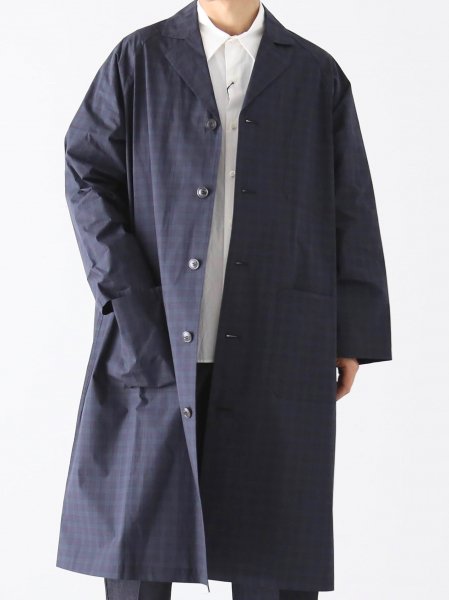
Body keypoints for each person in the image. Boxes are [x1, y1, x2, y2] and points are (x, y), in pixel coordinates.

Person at [56, 1, 392, 599]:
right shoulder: (140, 59)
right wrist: (126, 298)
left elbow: (351, 204)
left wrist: (352, 332)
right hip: (155, 335)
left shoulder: (315, 74)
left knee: (274, 553)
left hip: (276, 340)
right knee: (139, 554)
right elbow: (87, 175)